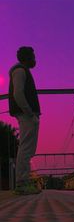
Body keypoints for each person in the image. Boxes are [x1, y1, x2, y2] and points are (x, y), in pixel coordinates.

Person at [8, 46, 41, 195]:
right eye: (33, 56)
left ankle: (24, 182)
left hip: (27, 114)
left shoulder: (21, 71)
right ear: (27, 57)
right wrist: (30, 113)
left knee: (27, 148)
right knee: (26, 148)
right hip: (27, 114)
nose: (35, 59)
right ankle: (22, 183)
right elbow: (18, 94)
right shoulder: (20, 71)